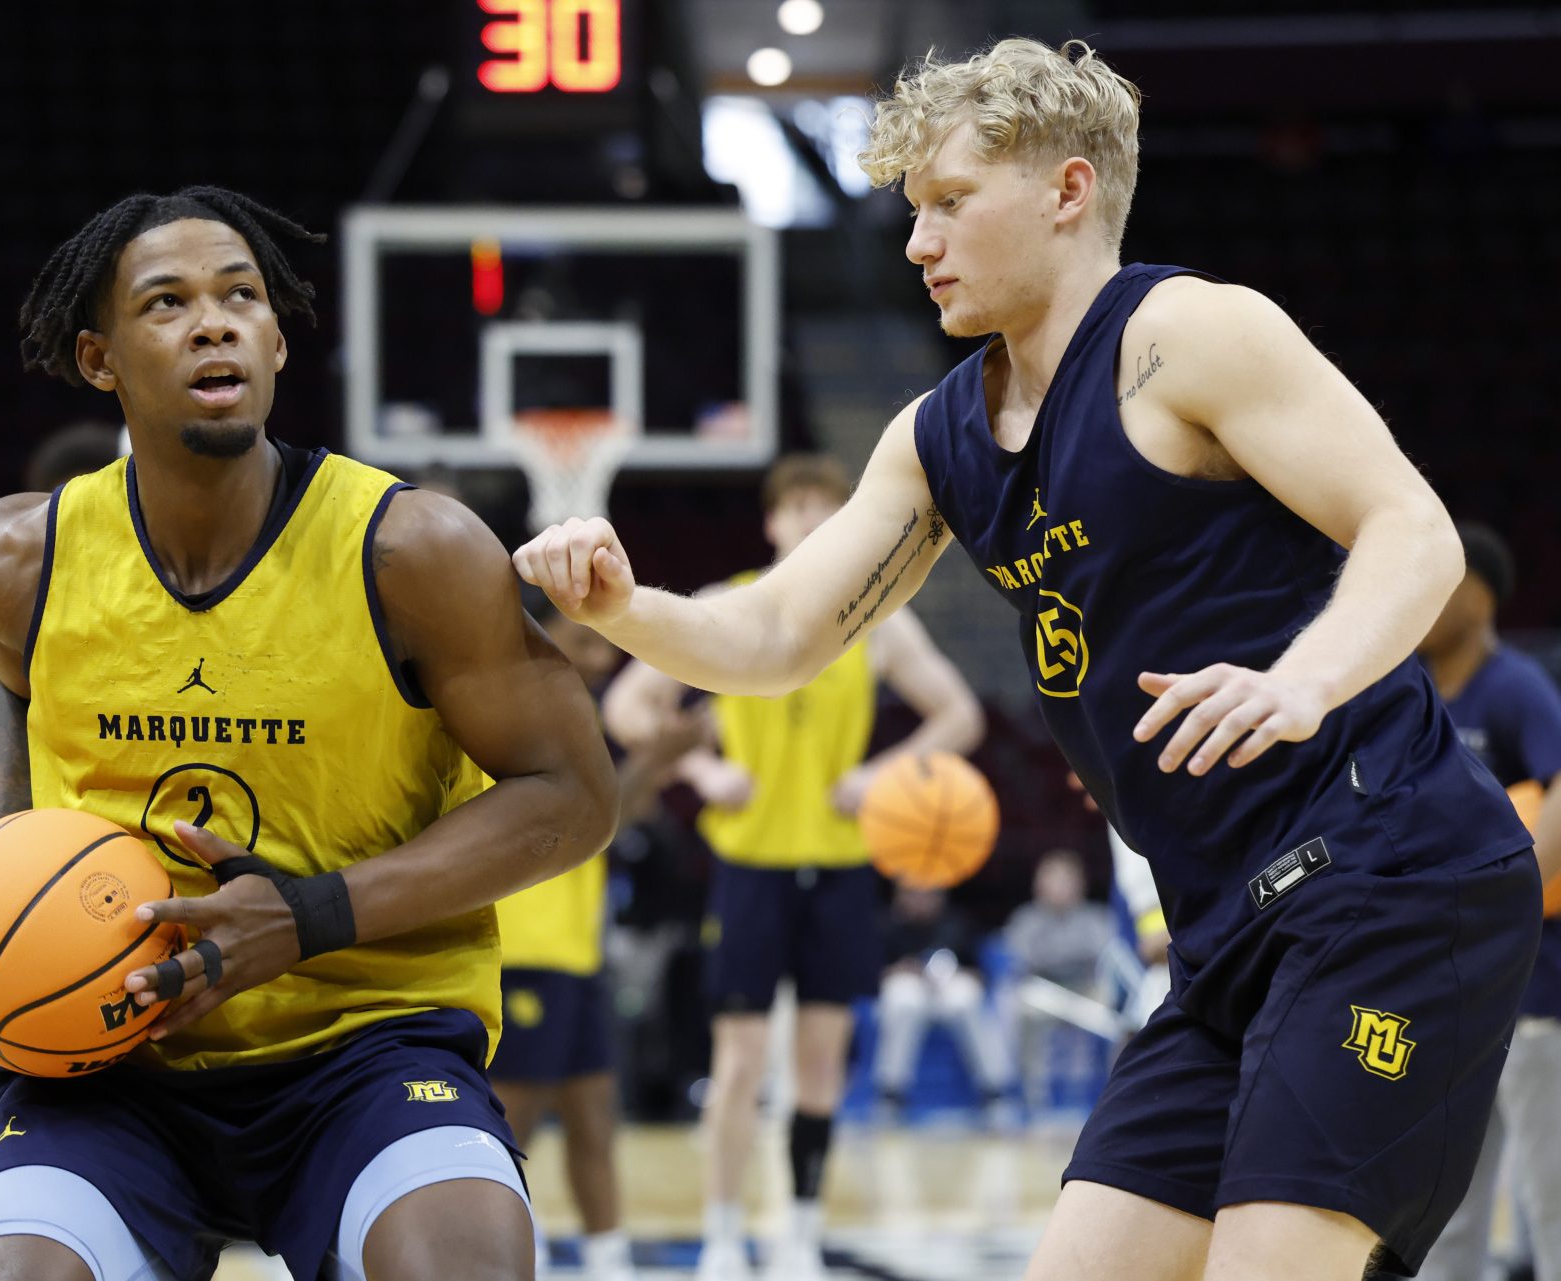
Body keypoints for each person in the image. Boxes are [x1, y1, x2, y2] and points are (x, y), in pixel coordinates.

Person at [514, 37, 1540, 1281]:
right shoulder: (938, 435)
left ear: (1067, 190)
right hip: (1223, 932)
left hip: (1387, 881)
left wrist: (1304, 682)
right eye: (912, 211)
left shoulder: (1191, 337)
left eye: (950, 203)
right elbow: (777, 638)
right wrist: (626, 604)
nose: (917, 242)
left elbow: (1413, 532)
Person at [0, 186, 616, 1281]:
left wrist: (309, 916)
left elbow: (573, 794)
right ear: (100, 358)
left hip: (366, 1044)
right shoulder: (15, 559)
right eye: (168, 302)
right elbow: (12, 696)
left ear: (277, 339)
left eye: (242, 297)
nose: (215, 321)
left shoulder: (410, 551)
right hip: (113, 1058)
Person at [602, 454, 984, 1281]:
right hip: (750, 866)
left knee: (818, 1063)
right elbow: (627, 705)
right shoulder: (725, 604)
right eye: (797, 507)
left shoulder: (880, 618)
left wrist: (883, 776)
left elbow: (960, 713)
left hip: (841, 868)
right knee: (739, 1062)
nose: (811, 520)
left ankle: (802, 1232)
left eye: (827, 507)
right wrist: (702, 772)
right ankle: (724, 1233)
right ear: (772, 523)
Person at [492, 595, 704, 1281]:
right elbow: (598, 814)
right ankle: (500, 1255)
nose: (600, 656)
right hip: (524, 953)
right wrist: (662, 757)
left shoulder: (576, 719)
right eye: (580, 643)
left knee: (593, 1118)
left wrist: (658, 759)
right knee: (509, 1131)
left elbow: (606, 811)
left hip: (577, 956)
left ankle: (610, 1260)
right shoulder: (517, 722)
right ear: (538, 642)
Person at [1410, 524, 1561, 1281]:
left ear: (1475, 592)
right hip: (1452, 984)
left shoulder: (1514, 686)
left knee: (1550, 1194)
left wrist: (1520, 891)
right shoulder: (1413, 694)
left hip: (1534, 988)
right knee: (1447, 1204)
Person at [871, 884, 1010, 1118]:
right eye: (912, 894)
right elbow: (869, 974)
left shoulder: (958, 923)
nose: (920, 900)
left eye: (926, 894)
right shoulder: (886, 925)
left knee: (967, 999)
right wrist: (903, 969)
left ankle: (994, 1090)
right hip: (907, 987)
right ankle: (891, 1091)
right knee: (904, 1001)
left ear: (939, 897)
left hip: (948, 990)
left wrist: (951, 974)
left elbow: (980, 974)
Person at [1001, 849, 1117, 1112]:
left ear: (1080, 884)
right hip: (1044, 993)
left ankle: (1114, 1092)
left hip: (1086, 991)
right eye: (1052, 879)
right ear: (1038, 885)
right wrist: (1070, 956)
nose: (1060, 887)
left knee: (1120, 1013)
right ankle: (1033, 1097)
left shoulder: (1096, 918)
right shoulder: (1025, 919)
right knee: (1022, 1008)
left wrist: (1060, 958)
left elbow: (1104, 957)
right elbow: (1024, 961)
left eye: (1066, 879)